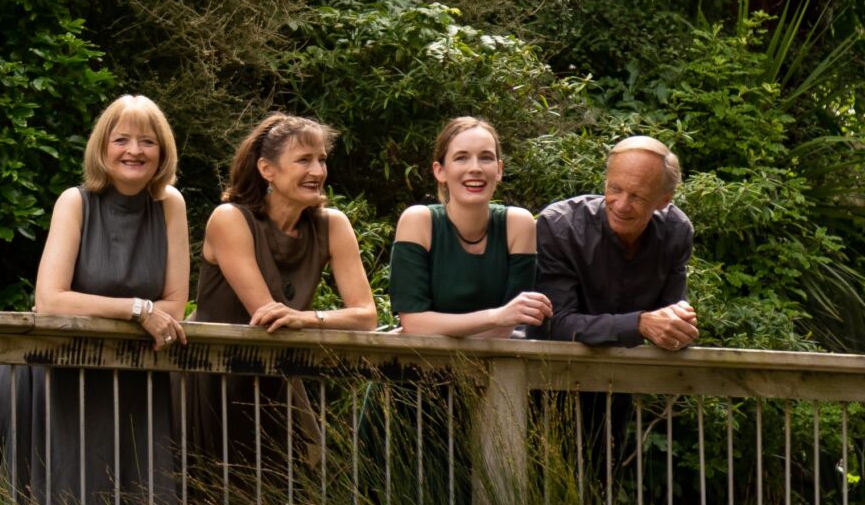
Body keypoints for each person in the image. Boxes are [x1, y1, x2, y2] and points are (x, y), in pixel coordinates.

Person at [0, 94, 189, 505]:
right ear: (102, 147)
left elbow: (174, 306)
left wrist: (147, 311)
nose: (134, 150)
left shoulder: (171, 205)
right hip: (53, 379)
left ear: (162, 152)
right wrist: (135, 309)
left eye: (148, 141)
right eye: (122, 139)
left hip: (130, 383)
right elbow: (50, 299)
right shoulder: (75, 202)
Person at [186, 112, 376, 482]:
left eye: (321, 159)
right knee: (207, 504)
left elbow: (366, 314)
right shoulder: (230, 219)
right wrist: (304, 318)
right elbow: (266, 314)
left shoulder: (333, 225)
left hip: (277, 381)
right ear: (266, 169)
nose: (317, 171)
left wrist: (310, 318)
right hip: (214, 382)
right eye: (303, 160)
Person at [389, 116, 552, 336]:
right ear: (440, 171)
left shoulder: (519, 225)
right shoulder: (418, 221)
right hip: (421, 361)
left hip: (496, 362)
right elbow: (414, 324)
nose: (475, 168)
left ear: (499, 170)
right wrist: (496, 316)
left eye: (486, 158)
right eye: (461, 158)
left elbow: (507, 327)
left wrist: (436, 328)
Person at [530, 135, 698, 349]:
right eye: (615, 189)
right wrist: (639, 324)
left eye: (637, 196)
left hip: (631, 373)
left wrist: (679, 325)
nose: (621, 205)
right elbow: (553, 325)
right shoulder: (560, 227)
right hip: (552, 370)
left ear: (663, 201)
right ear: (606, 182)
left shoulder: (675, 231)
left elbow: (671, 317)